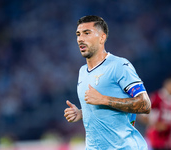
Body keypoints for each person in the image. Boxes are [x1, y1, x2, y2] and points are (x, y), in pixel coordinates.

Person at [64, 15, 151, 150]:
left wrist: (104, 99)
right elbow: (101, 110)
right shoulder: (82, 71)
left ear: (102, 38)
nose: (80, 38)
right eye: (78, 34)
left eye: (87, 33)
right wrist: (82, 113)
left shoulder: (120, 65)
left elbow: (145, 105)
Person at [139, 74, 171, 150]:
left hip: (169, 139)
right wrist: (155, 124)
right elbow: (142, 115)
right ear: (167, 83)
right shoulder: (156, 98)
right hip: (155, 138)